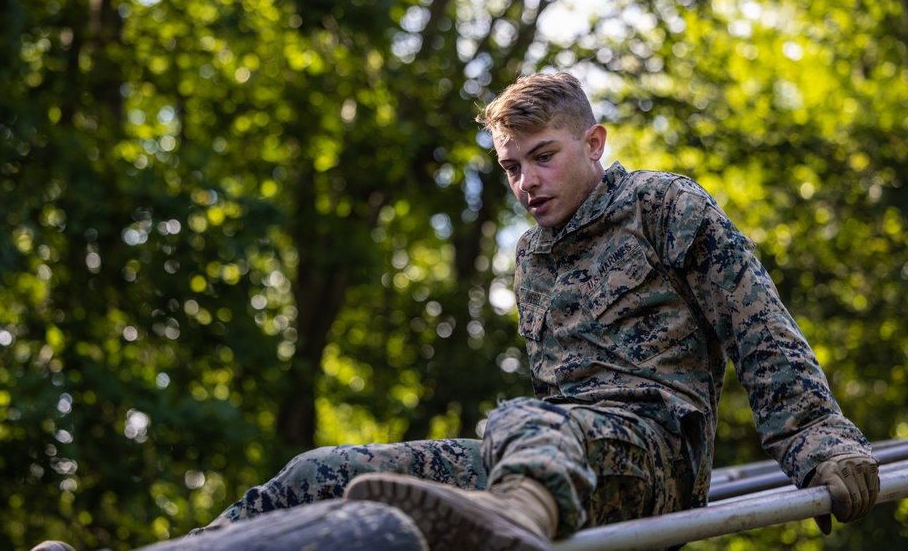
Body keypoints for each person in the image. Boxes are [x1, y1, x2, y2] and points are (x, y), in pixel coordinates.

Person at [189, 71, 879, 551]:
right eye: (511, 167)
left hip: (654, 456)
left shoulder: (665, 206)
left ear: (594, 143)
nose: (526, 182)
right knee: (320, 472)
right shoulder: (532, 257)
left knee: (523, 415)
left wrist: (823, 441)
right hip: (548, 455)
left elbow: (761, 330)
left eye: (542, 157)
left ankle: (515, 522)